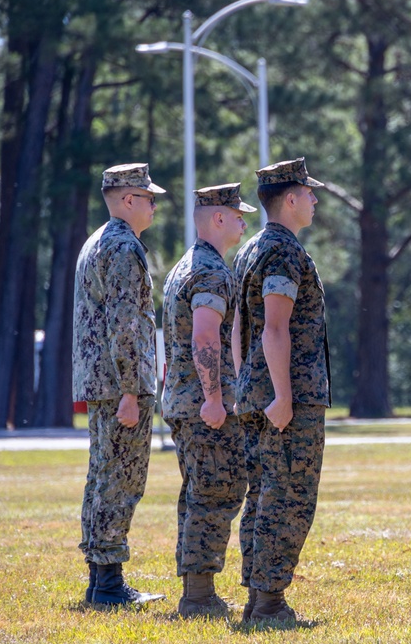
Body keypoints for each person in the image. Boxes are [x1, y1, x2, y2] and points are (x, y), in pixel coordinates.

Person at [232, 158, 331, 625]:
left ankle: (258, 597)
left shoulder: (252, 248)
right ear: (289, 199)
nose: (314, 199)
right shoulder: (283, 252)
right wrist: (284, 395)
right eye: (308, 193)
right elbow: (274, 328)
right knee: (287, 496)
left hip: (257, 393)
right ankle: (269, 602)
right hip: (285, 397)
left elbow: (237, 329)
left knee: (264, 494)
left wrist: (245, 384)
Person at [73, 163, 167, 607]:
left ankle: (100, 579)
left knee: (102, 477)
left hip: (101, 381)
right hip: (119, 385)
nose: (154, 206)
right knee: (120, 482)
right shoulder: (124, 247)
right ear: (128, 199)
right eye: (149, 198)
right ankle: (108, 586)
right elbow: (125, 325)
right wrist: (132, 390)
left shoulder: (97, 241)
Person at [162, 183, 256, 617]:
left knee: (200, 492)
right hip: (204, 405)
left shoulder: (188, 264)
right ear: (217, 217)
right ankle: (198, 597)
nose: (243, 220)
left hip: (184, 400)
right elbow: (204, 336)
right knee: (216, 492)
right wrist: (215, 399)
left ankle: (197, 589)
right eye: (237, 214)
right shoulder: (211, 271)